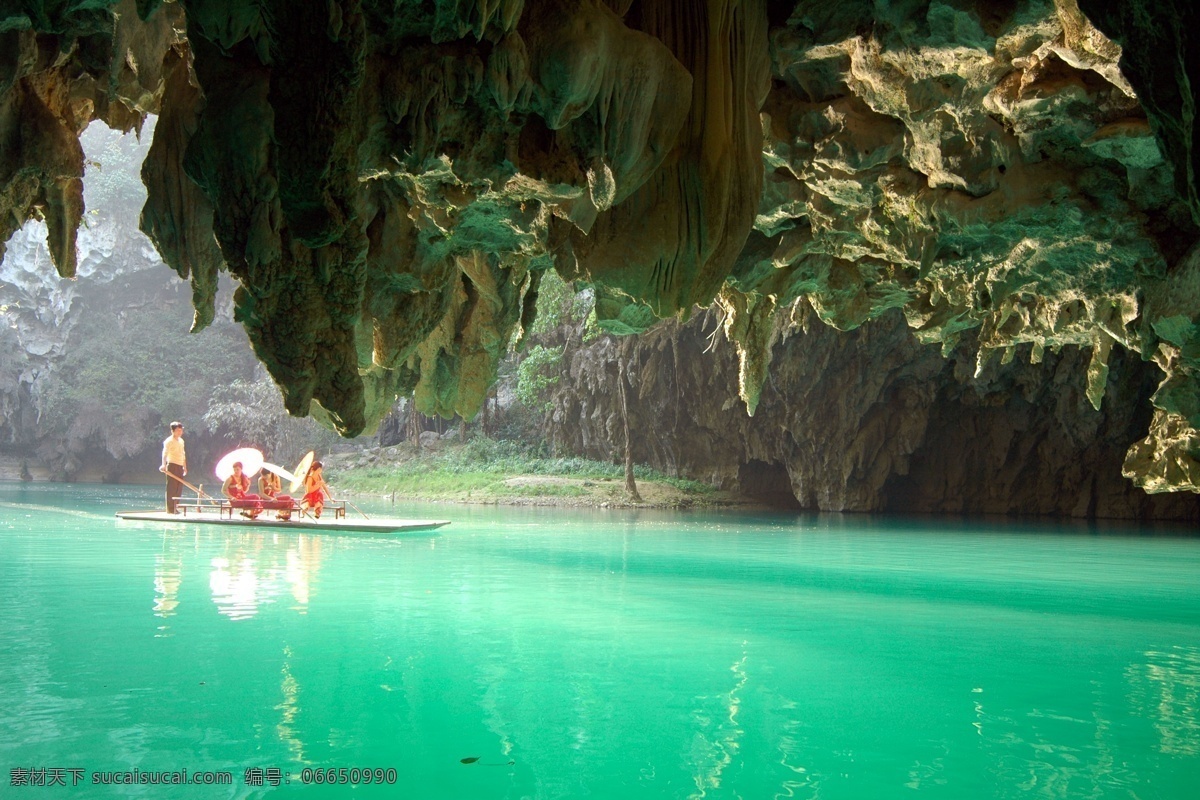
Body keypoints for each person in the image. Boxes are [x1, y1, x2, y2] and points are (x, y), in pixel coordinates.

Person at [160, 421, 187, 514]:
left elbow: (183, 454)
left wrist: (184, 467)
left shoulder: (181, 441)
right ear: (172, 431)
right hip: (172, 465)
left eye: (181, 430)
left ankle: (175, 507)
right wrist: (163, 464)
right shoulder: (168, 441)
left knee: (179, 488)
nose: (180, 432)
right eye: (178, 430)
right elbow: (164, 454)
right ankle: (170, 509)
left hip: (180, 466)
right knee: (171, 488)